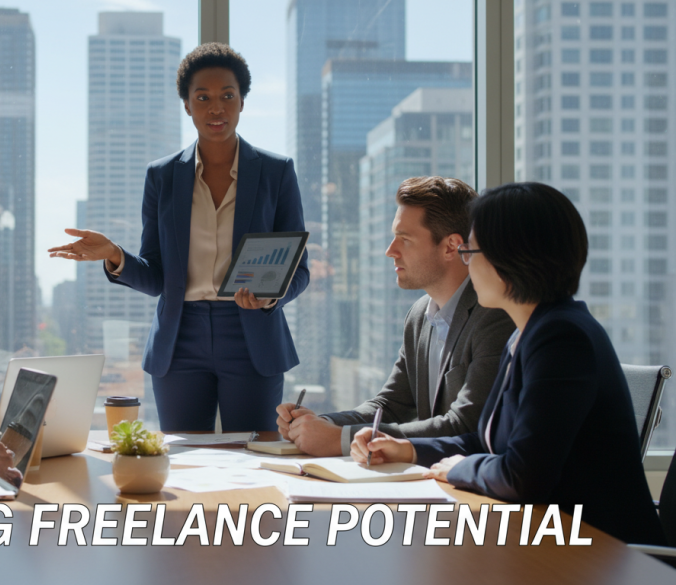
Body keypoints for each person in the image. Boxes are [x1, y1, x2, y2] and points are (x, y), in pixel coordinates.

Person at [351, 182, 667, 545]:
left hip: (600, 554)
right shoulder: (526, 334)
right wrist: (409, 449)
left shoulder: (562, 337)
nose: (467, 263)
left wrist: (459, 468)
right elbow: (488, 444)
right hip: (547, 541)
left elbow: (524, 474)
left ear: (510, 258)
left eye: (471, 251)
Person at [49, 43, 309, 432]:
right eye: (202, 97)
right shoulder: (163, 176)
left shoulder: (276, 172)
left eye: (227, 96)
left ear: (242, 102)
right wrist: (115, 255)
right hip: (179, 340)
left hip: (252, 336)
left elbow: (299, 270)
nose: (215, 108)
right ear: (187, 105)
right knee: (185, 460)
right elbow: (156, 276)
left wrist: (272, 296)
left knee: (255, 456)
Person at [276, 177, 514, 456]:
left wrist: (340, 439)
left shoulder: (495, 316)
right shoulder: (418, 315)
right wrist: (318, 424)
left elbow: (466, 425)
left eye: (405, 239)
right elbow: (390, 406)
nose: (391, 250)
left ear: (451, 247)